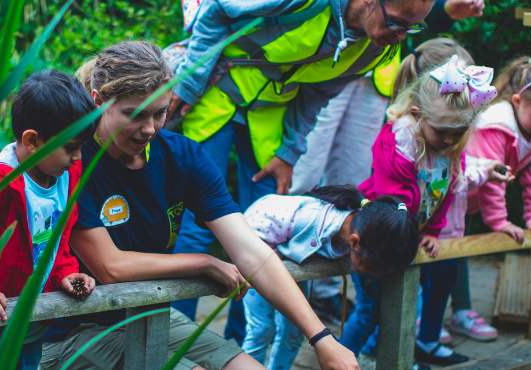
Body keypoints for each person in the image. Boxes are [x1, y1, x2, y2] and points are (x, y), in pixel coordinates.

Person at [39, 41, 360, 370]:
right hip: (75, 329)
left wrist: (321, 339)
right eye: (135, 115)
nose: (150, 128)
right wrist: (203, 262)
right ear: (98, 102)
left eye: (160, 113)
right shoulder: (73, 162)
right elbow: (111, 267)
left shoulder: (183, 156)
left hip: (147, 314)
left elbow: (252, 251)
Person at [168, 0, 438, 340]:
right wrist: (189, 82)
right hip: (215, 95)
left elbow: (317, 92)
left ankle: (236, 345)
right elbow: (217, 12)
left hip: (269, 116)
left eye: (411, 28)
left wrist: (289, 151)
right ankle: (174, 343)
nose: (399, 37)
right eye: (396, 23)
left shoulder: (374, 48)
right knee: (199, 225)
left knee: (258, 243)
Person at [289, 0, 486, 329]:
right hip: (327, 62)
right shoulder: (403, 136)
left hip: (372, 71)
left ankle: (324, 290)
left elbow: (408, 11)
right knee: (305, 178)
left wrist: (445, 11)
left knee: (348, 183)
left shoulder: (436, 136)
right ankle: (290, 283)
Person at [343, 55, 498, 366]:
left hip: (411, 232)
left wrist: (432, 230)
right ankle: (341, 357)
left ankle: (403, 352)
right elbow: (395, 198)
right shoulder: (401, 137)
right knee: (371, 310)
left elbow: (445, 191)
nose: (449, 139)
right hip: (382, 231)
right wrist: (413, 231)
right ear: (418, 113)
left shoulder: (449, 146)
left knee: (415, 294)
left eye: (458, 132)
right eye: (442, 130)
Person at [0, 69, 98, 369]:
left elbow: (57, 235)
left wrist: (63, 270)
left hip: (32, 320)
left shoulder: (67, 175)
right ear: (34, 140)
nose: (78, 158)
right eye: (71, 149)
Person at [241, 185, 420, 370]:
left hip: (287, 266)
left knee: (294, 333)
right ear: (354, 242)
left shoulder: (360, 229)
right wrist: (272, 261)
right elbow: (248, 237)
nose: (376, 275)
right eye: (376, 268)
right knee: (262, 329)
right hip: (255, 253)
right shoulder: (309, 221)